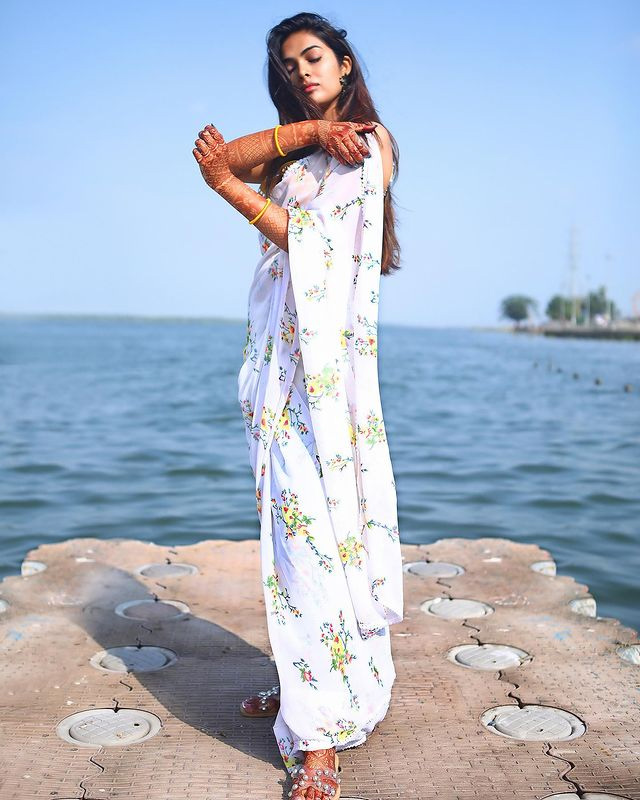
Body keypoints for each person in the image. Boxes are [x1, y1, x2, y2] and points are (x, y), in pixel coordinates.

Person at [192, 12, 403, 800]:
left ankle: (319, 734)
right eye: (289, 66)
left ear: (345, 63)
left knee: (323, 536)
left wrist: (226, 187)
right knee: (294, 540)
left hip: (327, 376)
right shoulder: (309, 144)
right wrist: (308, 129)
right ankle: (308, 680)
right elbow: (233, 158)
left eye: (315, 58)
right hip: (279, 368)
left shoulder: (368, 142)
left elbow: (310, 242)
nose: (302, 71)